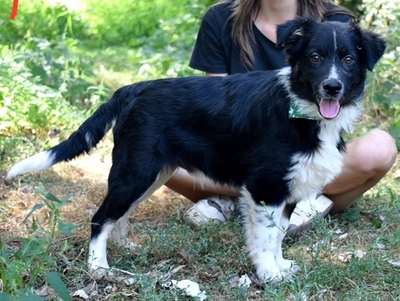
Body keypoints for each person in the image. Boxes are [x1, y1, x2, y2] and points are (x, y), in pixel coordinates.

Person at [164, 0, 397, 233]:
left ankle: (285, 199)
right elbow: (214, 108)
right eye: (316, 58)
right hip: (240, 157)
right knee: (161, 153)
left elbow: (337, 123)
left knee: (380, 148)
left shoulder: (337, 21)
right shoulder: (220, 18)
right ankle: (266, 199)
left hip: (310, 158)